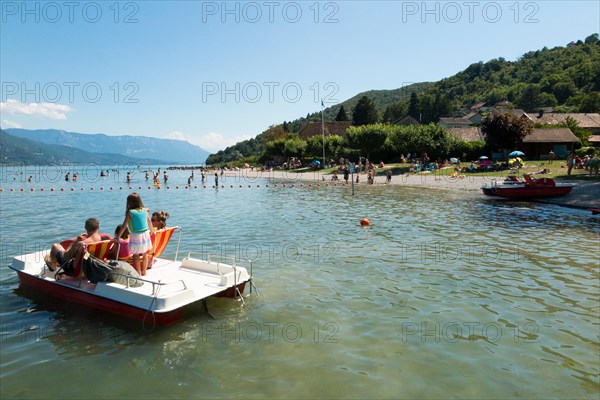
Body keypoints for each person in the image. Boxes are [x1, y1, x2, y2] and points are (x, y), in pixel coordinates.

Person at [115, 193, 153, 275]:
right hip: (145, 234)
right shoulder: (144, 210)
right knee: (145, 253)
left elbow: (124, 225)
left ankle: (138, 272)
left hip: (136, 235)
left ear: (129, 202)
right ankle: (144, 271)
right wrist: (152, 230)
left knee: (136, 255)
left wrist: (118, 237)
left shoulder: (130, 212)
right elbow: (149, 221)